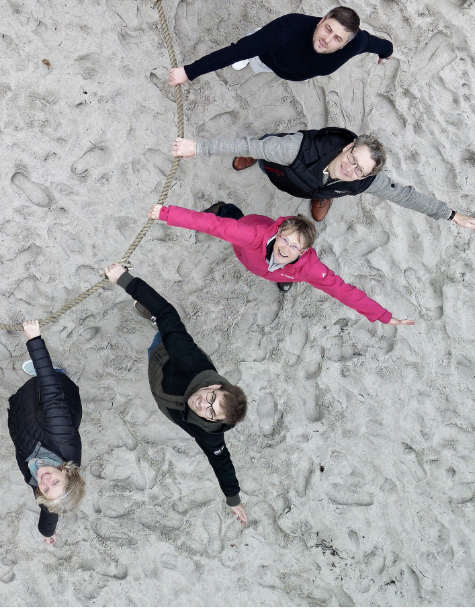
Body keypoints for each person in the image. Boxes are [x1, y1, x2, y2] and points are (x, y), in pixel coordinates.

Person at [102, 262, 248, 523]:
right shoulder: (189, 360)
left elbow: (222, 462)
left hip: (160, 388)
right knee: (165, 329)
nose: (203, 404)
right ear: (215, 387)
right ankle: (155, 323)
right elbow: (167, 311)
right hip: (164, 357)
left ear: (214, 422)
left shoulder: (210, 433)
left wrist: (233, 498)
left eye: (211, 412)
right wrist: (124, 279)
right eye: (211, 398)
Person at [147, 204, 414, 324]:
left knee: (287, 274)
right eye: (284, 240)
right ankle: (224, 206)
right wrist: (167, 214)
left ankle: (283, 279)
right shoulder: (251, 235)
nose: (285, 248)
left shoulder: (310, 269)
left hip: (278, 271)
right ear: (278, 233)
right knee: (229, 217)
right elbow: (212, 226)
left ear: (305, 251)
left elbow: (344, 291)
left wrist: (382, 315)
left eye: (295, 246)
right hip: (244, 239)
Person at [171, 128, 475, 227]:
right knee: (260, 152)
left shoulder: (364, 181)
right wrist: (198, 147)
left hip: (314, 186)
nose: (351, 170)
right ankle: (260, 163)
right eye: (353, 159)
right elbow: (245, 144)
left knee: (329, 186)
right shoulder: (295, 148)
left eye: (360, 170)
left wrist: (450, 214)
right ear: (347, 147)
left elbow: (406, 196)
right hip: (281, 168)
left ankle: (321, 195)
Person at [167, 7, 393, 86]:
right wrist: (188, 72)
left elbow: (378, 44)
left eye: (337, 39)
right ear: (321, 20)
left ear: (346, 44)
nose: (327, 39)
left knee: (267, 65)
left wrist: (387, 52)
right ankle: (253, 48)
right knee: (249, 49)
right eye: (328, 29)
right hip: (266, 55)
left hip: (283, 68)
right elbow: (233, 52)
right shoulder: (286, 30)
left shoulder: (356, 43)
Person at [7, 320, 84, 545]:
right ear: (67, 473)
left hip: (26, 418)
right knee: (49, 379)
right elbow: (51, 394)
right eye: (55, 483)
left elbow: (50, 510)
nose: (45, 481)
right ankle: (58, 371)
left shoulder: (42, 485)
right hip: (55, 394)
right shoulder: (62, 438)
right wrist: (34, 340)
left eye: (46, 490)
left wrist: (47, 532)